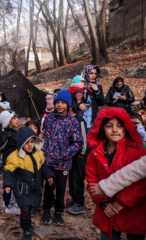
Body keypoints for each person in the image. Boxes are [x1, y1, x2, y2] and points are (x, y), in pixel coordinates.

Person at [86, 107, 146, 240]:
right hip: (106, 213)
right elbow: (92, 180)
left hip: (133, 210)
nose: (114, 130)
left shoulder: (138, 152)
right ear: (102, 128)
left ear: (127, 128)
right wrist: (103, 203)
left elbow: (142, 184)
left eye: (120, 126)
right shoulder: (95, 153)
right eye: (109, 126)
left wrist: (122, 202)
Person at [3, 127, 54, 240]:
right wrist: (7, 185)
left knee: (31, 206)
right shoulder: (15, 157)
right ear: (21, 143)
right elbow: (8, 172)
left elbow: (43, 167)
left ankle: (28, 219)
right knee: (25, 209)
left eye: (32, 142)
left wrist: (49, 175)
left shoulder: (39, 154)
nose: (30, 145)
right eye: (26, 143)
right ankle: (26, 230)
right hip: (23, 189)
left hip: (35, 186)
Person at [41, 90, 83, 226]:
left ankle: (58, 212)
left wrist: (66, 153)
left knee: (61, 189)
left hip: (63, 163)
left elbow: (78, 142)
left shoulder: (73, 121)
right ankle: (46, 210)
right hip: (48, 162)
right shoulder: (48, 118)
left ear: (68, 105)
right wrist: (42, 151)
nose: (59, 105)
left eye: (62, 103)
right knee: (48, 188)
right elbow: (43, 135)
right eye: (57, 102)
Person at [0, 110, 20, 214]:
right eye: (14, 119)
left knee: (8, 183)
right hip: (13, 164)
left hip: (8, 162)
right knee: (12, 184)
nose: (17, 120)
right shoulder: (12, 135)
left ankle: (6, 202)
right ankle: (10, 206)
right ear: (9, 122)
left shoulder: (5, 134)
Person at [67, 99, 87, 215]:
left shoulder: (80, 120)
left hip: (79, 156)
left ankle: (79, 203)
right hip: (70, 154)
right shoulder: (67, 120)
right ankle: (74, 199)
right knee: (71, 178)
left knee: (77, 179)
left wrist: (82, 154)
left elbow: (84, 138)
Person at [79, 65, 105, 131]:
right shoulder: (79, 85)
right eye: (91, 73)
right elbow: (72, 101)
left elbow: (102, 102)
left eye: (95, 74)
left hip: (93, 119)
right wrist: (79, 105)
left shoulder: (98, 86)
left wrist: (97, 91)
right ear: (86, 72)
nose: (93, 76)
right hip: (81, 118)